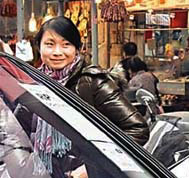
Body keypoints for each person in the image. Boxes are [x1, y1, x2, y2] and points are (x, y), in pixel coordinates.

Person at [15, 17, 149, 177]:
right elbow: (16, 132)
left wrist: (92, 168)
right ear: (39, 46)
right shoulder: (34, 83)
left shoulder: (92, 82)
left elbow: (137, 129)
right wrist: (22, 164)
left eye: (66, 45)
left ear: (77, 48)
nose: (57, 52)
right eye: (50, 44)